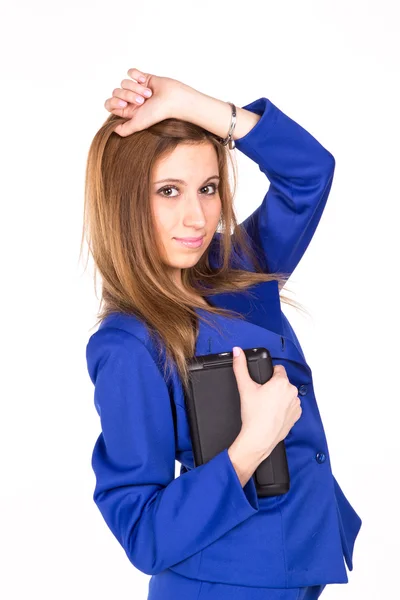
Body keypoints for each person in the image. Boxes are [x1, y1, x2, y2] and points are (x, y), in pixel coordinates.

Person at [82, 68, 362, 600]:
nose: (197, 217)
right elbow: (143, 532)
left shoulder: (237, 273)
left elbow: (309, 173)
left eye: (208, 188)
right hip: (222, 585)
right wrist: (250, 447)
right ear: (123, 202)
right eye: (168, 190)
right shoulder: (127, 344)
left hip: (301, 563)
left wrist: (189, 103)